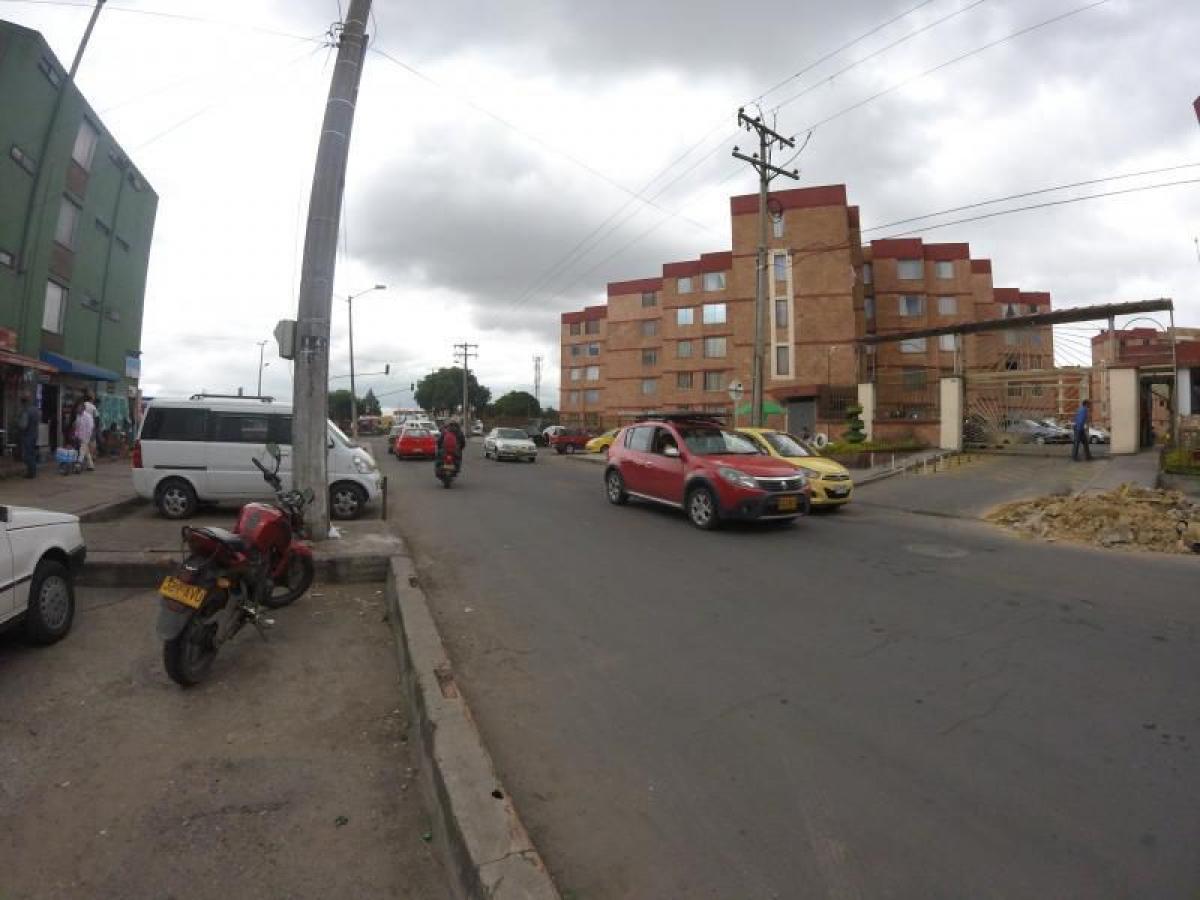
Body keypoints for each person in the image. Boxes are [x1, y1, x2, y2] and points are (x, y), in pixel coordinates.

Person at [17, 394, 39, 478]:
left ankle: (31, 473)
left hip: (27, 436)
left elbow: (23, 425)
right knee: (32, 453)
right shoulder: (35, 410)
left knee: (27, 455)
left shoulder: (26, 411)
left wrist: (17, 422)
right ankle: (33, 472)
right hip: (34, 434)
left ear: (23, 402)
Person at [75, 393, 97, 471]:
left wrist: (90, 435)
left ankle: (79, 463)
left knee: (82, 448)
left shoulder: (88, 416)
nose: (77, 409)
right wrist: (76, 435)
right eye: (77, 408)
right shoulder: (78, 416)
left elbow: (91, 427)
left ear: (83, 409)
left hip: (87, 435)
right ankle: (91, 465)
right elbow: (77, 426)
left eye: (79, 408)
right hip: (80, 435)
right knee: (86, 450)